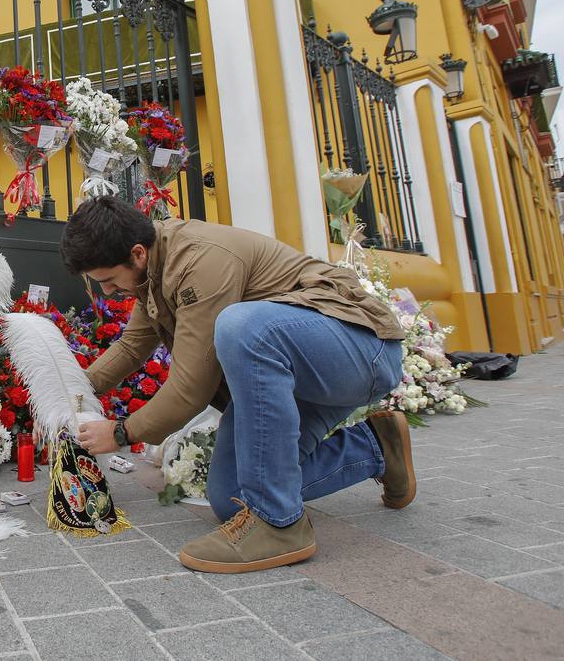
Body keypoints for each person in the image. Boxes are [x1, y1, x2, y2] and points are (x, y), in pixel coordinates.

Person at [62, 197, 413, 575]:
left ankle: (280, 524)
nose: (110, 292)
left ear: (136, 254)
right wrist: (70, 391)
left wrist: (120, 431)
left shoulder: (199, 261)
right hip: (297, 377)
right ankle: (376, 446)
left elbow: (191, 389)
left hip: (361, 352)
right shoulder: (152, 270)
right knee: (233, 499)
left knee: (240, 326)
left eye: (110, 281)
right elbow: (132, 346)